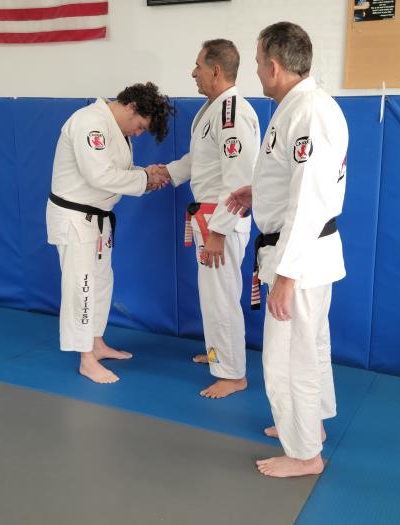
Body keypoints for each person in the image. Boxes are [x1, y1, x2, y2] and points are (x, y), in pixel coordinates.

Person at [226, 22, 348, 477]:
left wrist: (286, 275)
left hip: (300, 256)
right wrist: (257, 193)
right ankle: (308, 427)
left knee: (287, 358)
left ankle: (303, 454)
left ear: (274, 66)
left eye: (259, 62)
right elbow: (291, 179)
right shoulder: (295, 107)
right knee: (309, 346)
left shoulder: (309, 112)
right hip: (300, 250)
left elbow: (310, 200)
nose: (257, 70)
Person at [148, 40, 260, 399]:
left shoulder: (232, 114)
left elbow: (238, 179)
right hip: (208, 216)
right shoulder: (212, 110)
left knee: (221, 297)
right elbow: (199, 162)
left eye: (198, 65)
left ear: (216, 70)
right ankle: (217, 354)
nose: (193, 72)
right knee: (212, 296)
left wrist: (219, 232)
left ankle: (232, 374)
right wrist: (165, 173)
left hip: (221, 220)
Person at [46, 82, 174, 384]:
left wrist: (146, 173)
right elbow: (100, 175)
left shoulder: (116, 130)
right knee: (82, 286)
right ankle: (85, 359)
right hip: (75, 218)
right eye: (140, 126)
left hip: (98, 219)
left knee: (102, 282)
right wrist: (144, 179)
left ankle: (97, 343)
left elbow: (119, 171)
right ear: (131, 107)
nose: (139, 133)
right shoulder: (89, 122)